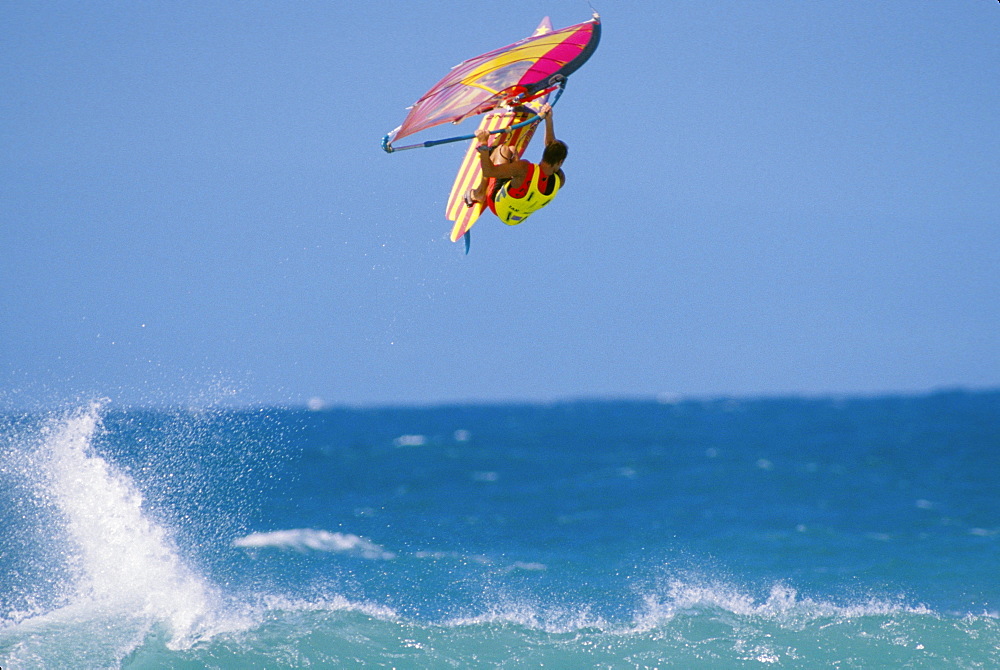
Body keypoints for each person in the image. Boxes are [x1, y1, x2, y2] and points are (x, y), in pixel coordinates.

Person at [464, 103, 567, 226]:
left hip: (498, 206)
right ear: (560, 162)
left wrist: (483, 143)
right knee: (512, 150)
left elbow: (489, 171)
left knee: (502, 150)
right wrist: (548, 120)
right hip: (515, 218)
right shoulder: (559, 180)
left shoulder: (524, 168)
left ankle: (479, 193)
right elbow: (551, 147)